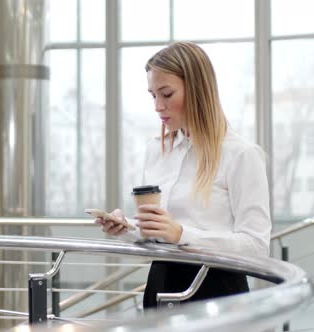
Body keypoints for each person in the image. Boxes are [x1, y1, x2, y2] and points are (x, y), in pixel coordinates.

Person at [96, 42, 271, 309]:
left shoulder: (241, 155)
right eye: (153, 95)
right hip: (160, 286)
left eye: (166, 94)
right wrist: (128, 228)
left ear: (199, 91)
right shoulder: (155, 151)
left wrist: (181, 234)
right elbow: (159, 233)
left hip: (218, 293)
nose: (157, 106)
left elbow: (257, 247)